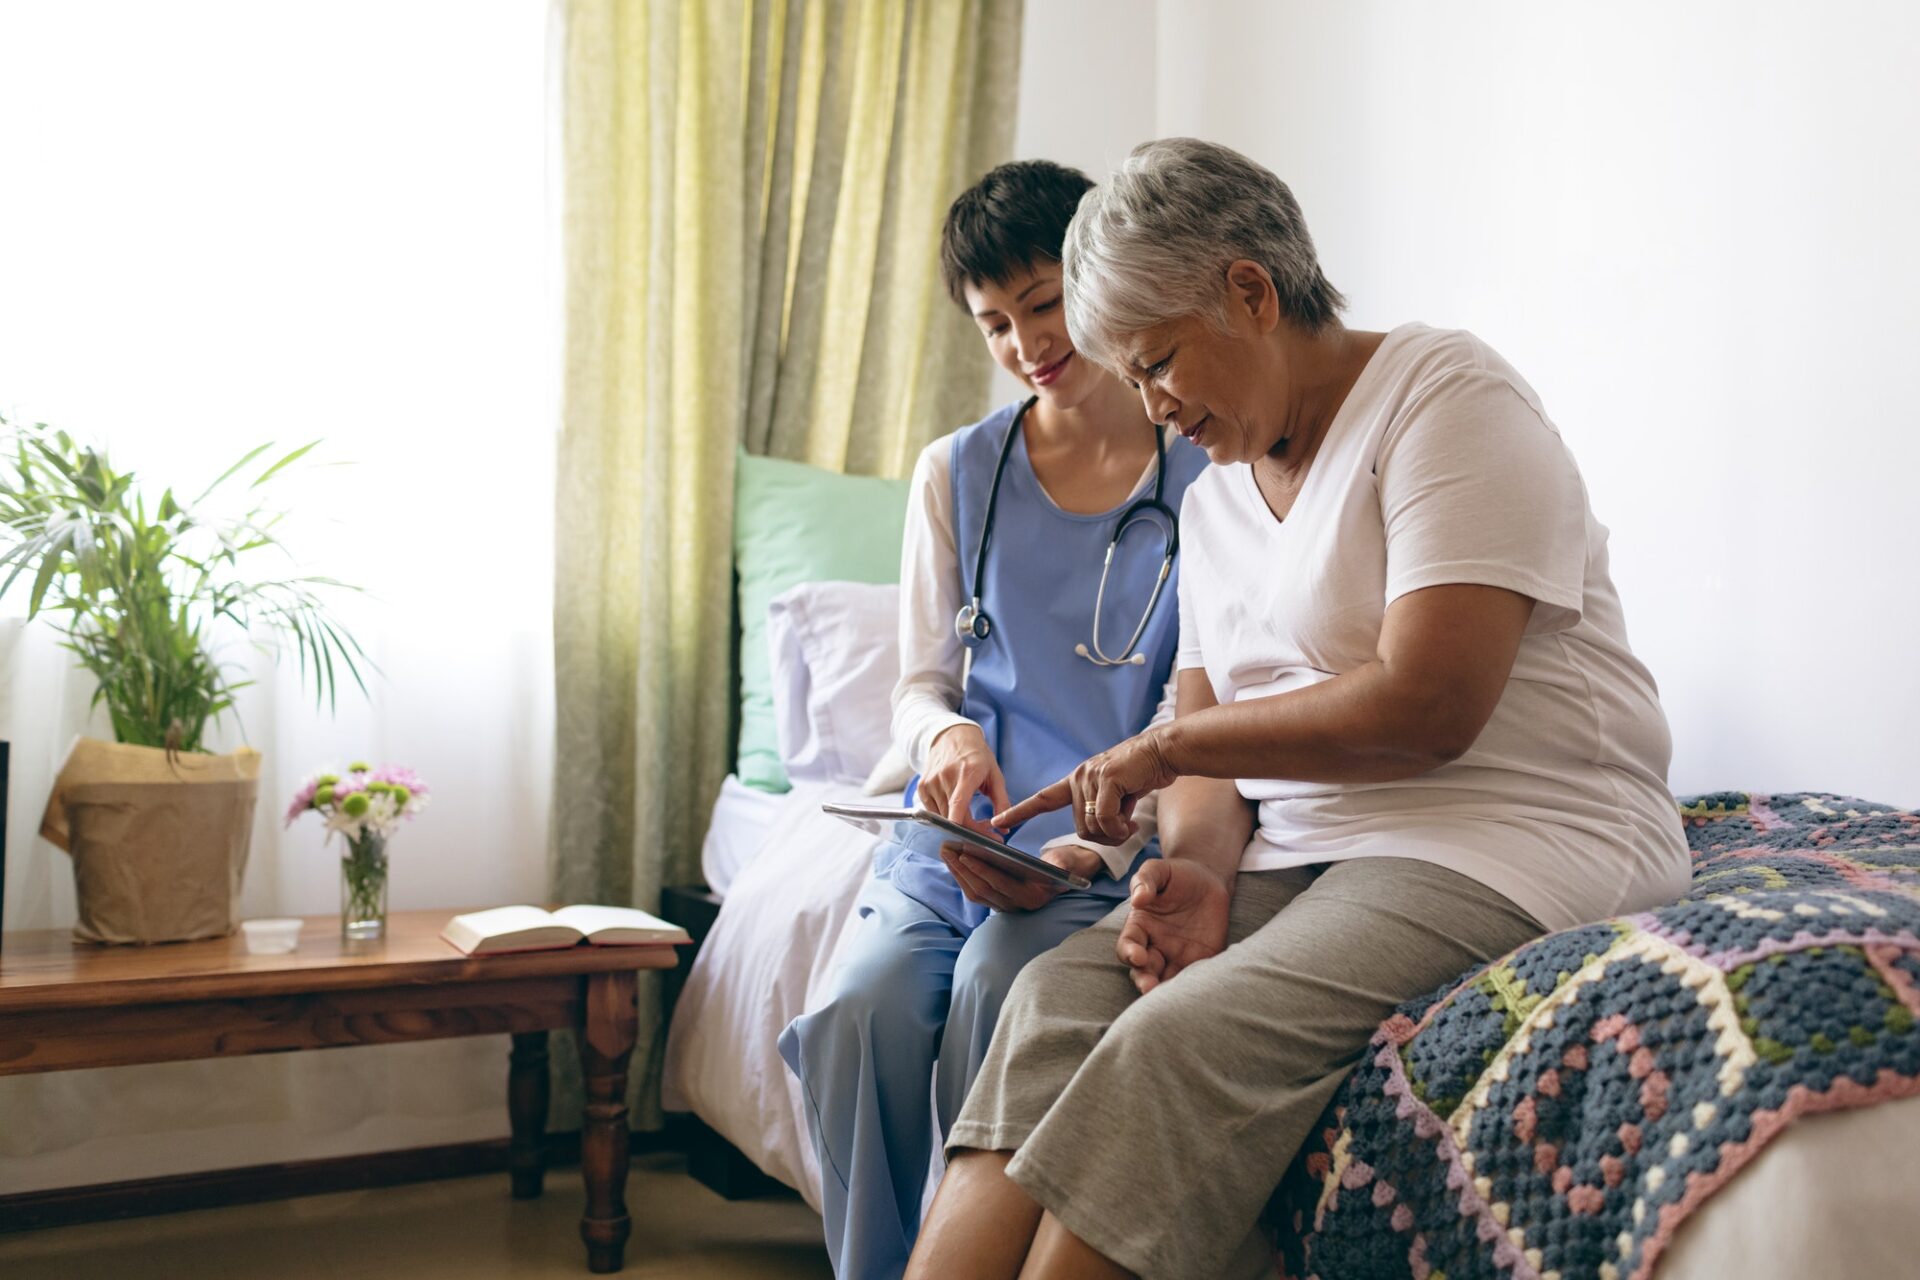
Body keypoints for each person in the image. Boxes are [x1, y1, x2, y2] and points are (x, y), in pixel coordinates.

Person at [905, 138, 1693, 1280]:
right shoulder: (1218, 495)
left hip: (1506, 835)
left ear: (1250, 291)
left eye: (1159, 361)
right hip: (1312, 848)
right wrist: (1204, 868)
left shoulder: (1446, 399)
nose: (1152, 405)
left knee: (1172, 1046)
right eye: (1128, 375)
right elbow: (1215, 749)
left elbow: (1428, 704)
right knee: (1047, 1002)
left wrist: (1164, 746)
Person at [777, 159, 1209, 1280]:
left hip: (1101, 843)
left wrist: (1096, 839)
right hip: (958, 837)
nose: (1027, 344)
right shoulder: (956, 472)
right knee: (858, 1011)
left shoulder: (1205, 467)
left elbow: (1197, 709)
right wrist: (947, 737)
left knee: (997, 987)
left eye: (1044, 303)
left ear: (1098, 275)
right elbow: (922, 681)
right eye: (994, 324)